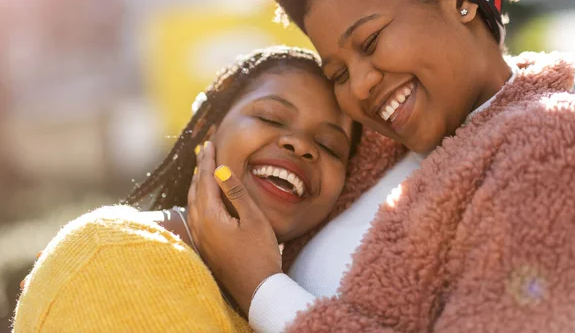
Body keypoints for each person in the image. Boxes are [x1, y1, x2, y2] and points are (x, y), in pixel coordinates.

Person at [179, 0, 575, 332]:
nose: (359, 86)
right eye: (338, 73)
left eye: (370, 40)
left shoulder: (563, 146)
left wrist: (261, 289)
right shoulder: (368, 151)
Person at [12, 46, 358, 332]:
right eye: (270, 117)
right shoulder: (115, 251)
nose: (301, 146)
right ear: (206, 129)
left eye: (329, 145)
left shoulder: (285, 298)